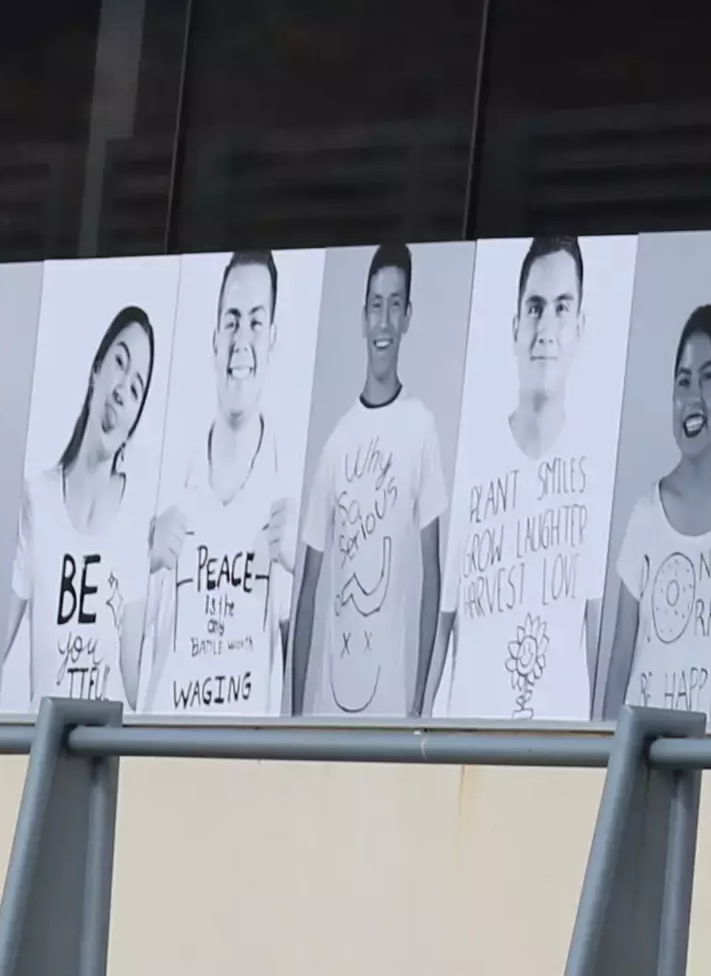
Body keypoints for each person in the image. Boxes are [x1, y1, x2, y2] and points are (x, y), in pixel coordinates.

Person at [441, 237, 607, 723]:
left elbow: (595, 635)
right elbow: (445, 618)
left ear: (579, 328)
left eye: (561, 308)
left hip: (558, 756)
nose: (546, 328)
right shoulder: (473, 461)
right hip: (470, 745)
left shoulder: (594, 470)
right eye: (535, 308)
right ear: (515, 326)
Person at [138, 252, 299, 716]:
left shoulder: (291, 487)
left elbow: (307, 679)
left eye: (254, 323)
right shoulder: (167, 480)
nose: (240, 341)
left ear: (272, 341)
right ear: (213, 340)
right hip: (166, 757)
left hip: (245, 767)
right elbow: (121, 646)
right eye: (231, 322)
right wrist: (141, 561)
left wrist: (306, 567)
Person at [297, 243, 448, 721]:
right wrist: (296, 720)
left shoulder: (420, 427)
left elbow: (433, 576)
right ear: (364, 316)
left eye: (395, 305)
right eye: (376, 305)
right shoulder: (337, 441)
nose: (384, 321)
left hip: (390, 711)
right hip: (327, 711)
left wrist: (420, 704)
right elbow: (308, 588)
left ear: (407, 317)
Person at [607, 301, 711, 723]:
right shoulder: (645, 513)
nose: (694, 396)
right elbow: (619, 666)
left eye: (708, 378)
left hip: (703, 765)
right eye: (683, 382)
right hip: (639, 758)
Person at [8, 304, 154, 710]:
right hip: (44, 744)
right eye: (119, 363)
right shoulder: (36, 498)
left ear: (135, 420)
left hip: (105, 754)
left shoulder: (139, 515)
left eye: (138, 387)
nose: (123, 388)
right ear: (96, 370)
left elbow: (133, 673)